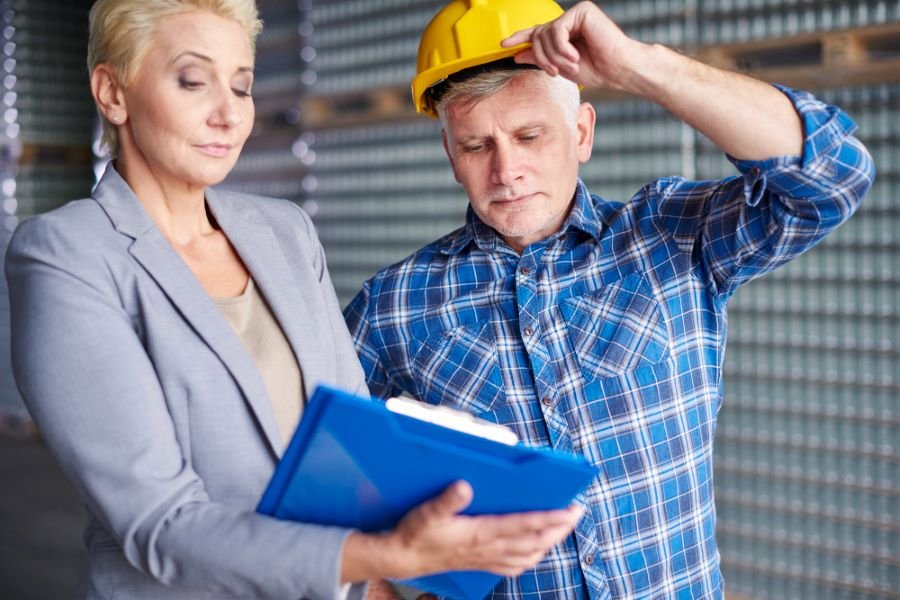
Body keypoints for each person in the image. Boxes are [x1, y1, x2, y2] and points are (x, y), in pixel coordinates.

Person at [5, 1, 584, 598]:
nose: (229, 114)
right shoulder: (66, 255)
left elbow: (354, 444)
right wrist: (384, 553)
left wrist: (383, 576)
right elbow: (160, 525)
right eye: (193, 81)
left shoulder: (283, 232)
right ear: (113, 92)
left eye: (242, 85)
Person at [343, 0, 875, 598]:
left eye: (529, 135)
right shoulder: (394, 306)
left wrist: (642, 66)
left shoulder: (672, 237)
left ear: (582, 132)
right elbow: (319, 473)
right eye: (475, 146)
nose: (506, 170)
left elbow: (835, 174)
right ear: (451, 156)